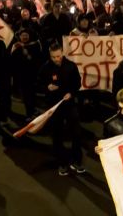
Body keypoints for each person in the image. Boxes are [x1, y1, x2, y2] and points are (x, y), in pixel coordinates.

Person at [38, 43, 84, 176]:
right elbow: (39, 83)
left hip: (69, 104)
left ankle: (76, 161)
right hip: (54, 106)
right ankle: (62, 163)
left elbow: (77, 83)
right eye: (53, 57)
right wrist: (47, 87)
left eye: (58, 56)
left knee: (76, 132)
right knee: (57, 135)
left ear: (62, 53)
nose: (56, 59)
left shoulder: (71, 66)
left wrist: (71, 93)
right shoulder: (45, 68)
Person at [10, 28, 43, 120]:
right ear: (19, 37)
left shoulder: (34, 46)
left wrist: (28, 55)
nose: (24, 37)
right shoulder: (16, 46)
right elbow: (12, 62)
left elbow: (38, 60)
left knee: (32, 94)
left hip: (32, 75)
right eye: (23, 35)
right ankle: (29, 113)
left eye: (26, 35)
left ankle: (33, 110)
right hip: (21, 76)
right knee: (26, 95)